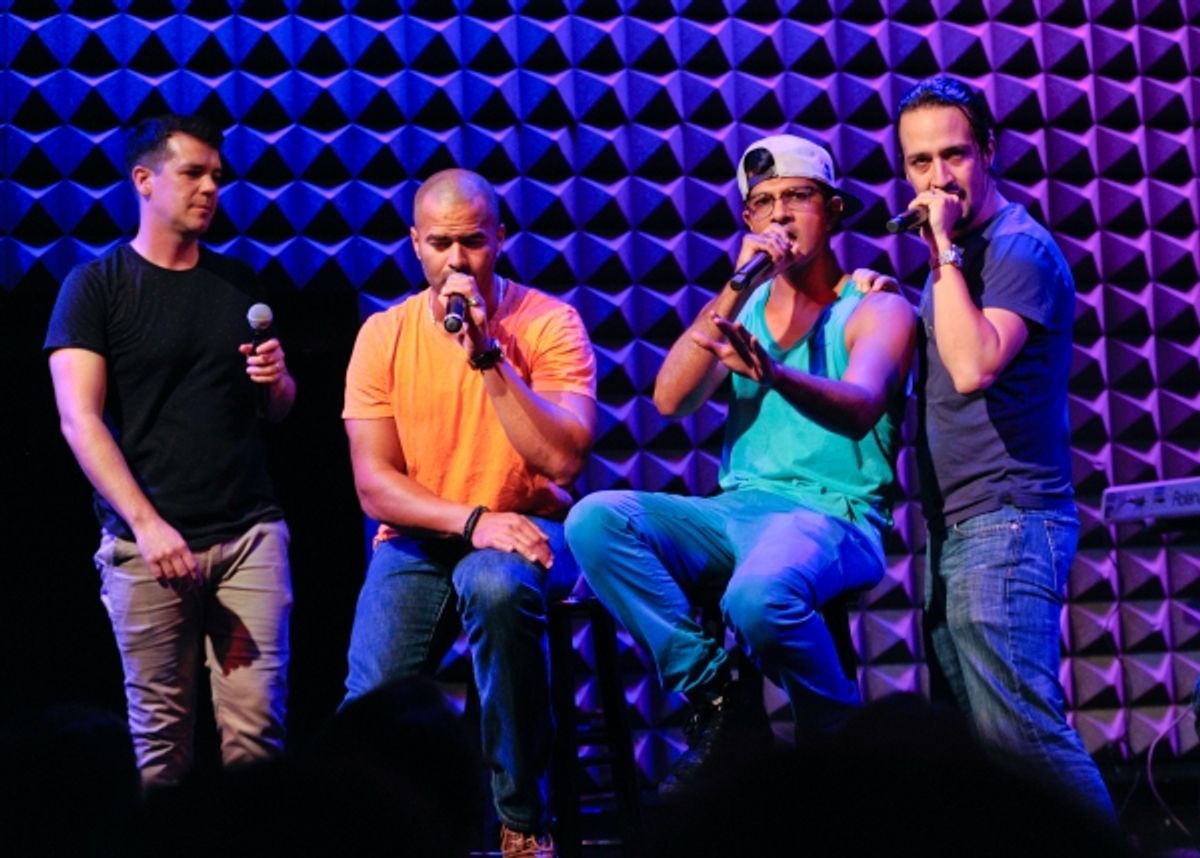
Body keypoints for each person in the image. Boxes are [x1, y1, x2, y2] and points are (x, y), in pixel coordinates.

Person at [565, 134, 916, 789]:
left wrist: (775, 373)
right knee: (596, 519)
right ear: (748, 221)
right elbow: (670, 399)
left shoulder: (878, 307)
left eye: (797, 198)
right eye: (763, 203)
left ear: (833, 210)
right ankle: (716, 692)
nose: (780, 215)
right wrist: (732, 288)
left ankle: (840, 747)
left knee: (758, 598)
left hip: (833, 513)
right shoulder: (742, 307)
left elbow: (863, 404)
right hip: (738, 508)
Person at [340, 168, 596, 857]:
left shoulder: (548, 323)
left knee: (493, 585)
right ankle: (388, 831)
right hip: (425, 534)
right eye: (442, 244)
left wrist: (488, 357)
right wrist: (471, 520)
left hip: (531, 524)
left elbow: (564, 461)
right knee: (370, 695)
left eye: (474, 242)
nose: (458, 261)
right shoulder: (383, 335)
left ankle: (520, 820)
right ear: (416, 245)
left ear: (501, 239)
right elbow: (375, 485)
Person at [45, 114, 296, 789]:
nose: (211, 187)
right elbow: (80, 420)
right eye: (193, 173)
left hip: (247, 539)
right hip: (146, 551)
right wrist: (148, 525)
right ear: (145, 180)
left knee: (257, 740)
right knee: (161, 751)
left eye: (217, 175)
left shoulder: (240, 285)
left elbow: (276, 412)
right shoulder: (95, 287)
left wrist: (279, 383)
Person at [894, 75, 1117, 825]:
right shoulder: (957, 259)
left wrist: (944, 253)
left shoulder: (1016, 249)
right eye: (919, 162)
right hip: (961, 527)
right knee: (984, 756)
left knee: (1026, 742)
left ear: (989, 150)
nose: (938, 177)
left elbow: (973, 364)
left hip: (1009, 521)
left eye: (954, 155)